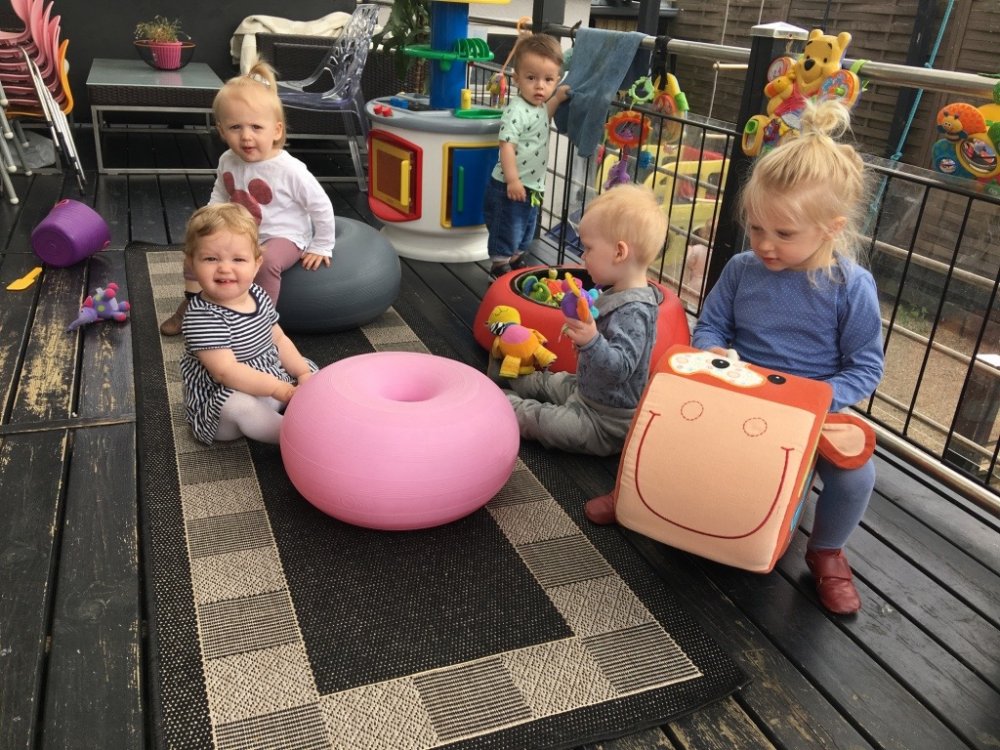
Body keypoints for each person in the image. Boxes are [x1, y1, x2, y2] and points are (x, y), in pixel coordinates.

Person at [592, 101, 884, 616]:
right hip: (733, 391)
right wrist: (712, 355)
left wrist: (821, 397)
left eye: (784, 234)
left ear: (831, 227)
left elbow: (866, 367)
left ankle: (827, 552)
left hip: (807, 410)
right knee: (657, 414)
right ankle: (633, 494)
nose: (765, 245)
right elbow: (712, 326)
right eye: (756, 229)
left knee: (856, 475)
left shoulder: (850, 287)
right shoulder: (743, 269)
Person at [160, 59, 335, 335]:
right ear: (221, 130)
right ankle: (192, 307)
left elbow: (320, 206)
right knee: (197, 252)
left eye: (256, 127)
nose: (246, 137)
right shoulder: (228, 160)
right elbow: (221, 192)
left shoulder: (289, 170)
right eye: (235, 128)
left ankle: (258, 324)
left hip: (284, 236)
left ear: (276, 130)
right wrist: (208, 220)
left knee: (265, 264)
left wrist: (321, 245)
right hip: (241, 232)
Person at [504, 183, 667, 455]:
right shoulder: (617, 292)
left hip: (605, 421)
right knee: (552, 381)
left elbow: (620, 369)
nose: (582, 256)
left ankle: (505, 406)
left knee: (549, 423)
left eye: (589, 248)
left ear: (619, 252)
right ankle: (512, 379)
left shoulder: (635, 311)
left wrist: (591, 340)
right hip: (585, 390)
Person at [179, 202, 317, 445]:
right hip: (223, 402)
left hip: (267, 380)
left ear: (256, 265)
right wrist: (279, 389)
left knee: (311, 370)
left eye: (238, 259)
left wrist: (302, 373)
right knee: (238, 406)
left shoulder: (257, 294)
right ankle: (294, 437)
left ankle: (313, 411)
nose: (225, 268)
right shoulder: (203, 317)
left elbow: (278, 338)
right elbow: (226, 371)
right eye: (211, 258)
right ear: (191, 264)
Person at [483, 33, 571, 279]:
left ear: (556, 80)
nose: (540, 86)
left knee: (526, 227)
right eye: (531, 78)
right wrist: (512, 180)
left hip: (532, 186)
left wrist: (558, 98)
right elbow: (506, 146)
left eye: (548, 79)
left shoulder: (539, 106)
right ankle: (499, 267)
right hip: (508, 186)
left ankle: (515, 259)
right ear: (517, 79)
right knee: (507, 227)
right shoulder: (516, 110)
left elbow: (544, 116)